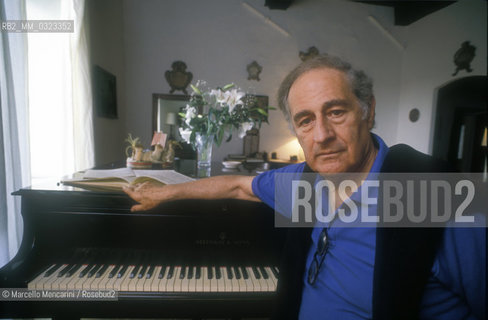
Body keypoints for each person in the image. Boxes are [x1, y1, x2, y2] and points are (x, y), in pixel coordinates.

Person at [124, 54, 485, 320]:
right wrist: (163, 192)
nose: (322, 135)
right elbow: (238, 186)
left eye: (336, 112)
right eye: (306, 120)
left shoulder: (439, 195)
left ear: (368, 111)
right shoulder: (302, 181)